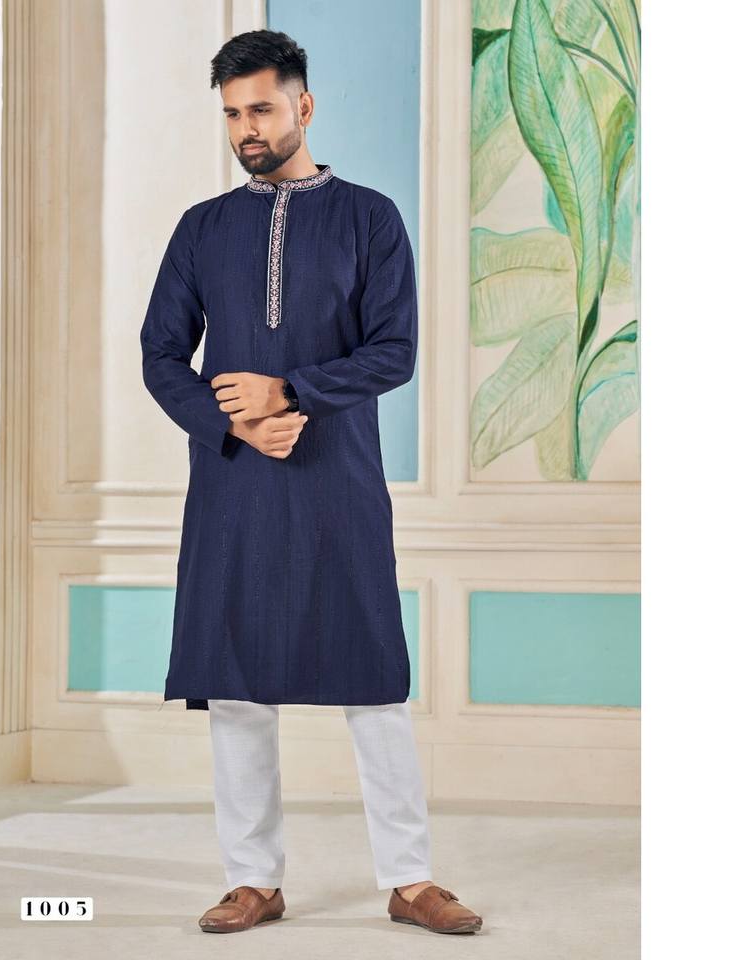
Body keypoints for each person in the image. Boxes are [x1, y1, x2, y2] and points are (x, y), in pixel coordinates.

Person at [140, 28, 482, 936]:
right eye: (232, 114)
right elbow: (160, 355)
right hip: (234, 483)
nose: (246, 129)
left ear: (304, 105)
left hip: (338, 479)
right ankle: (253, 879)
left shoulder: (370, 218)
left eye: (260, 108)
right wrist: (236, 421)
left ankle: (410, 879)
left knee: (372, 679)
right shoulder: (202, 228)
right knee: (237, 683)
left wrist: (291, 392)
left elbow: (395, 350)